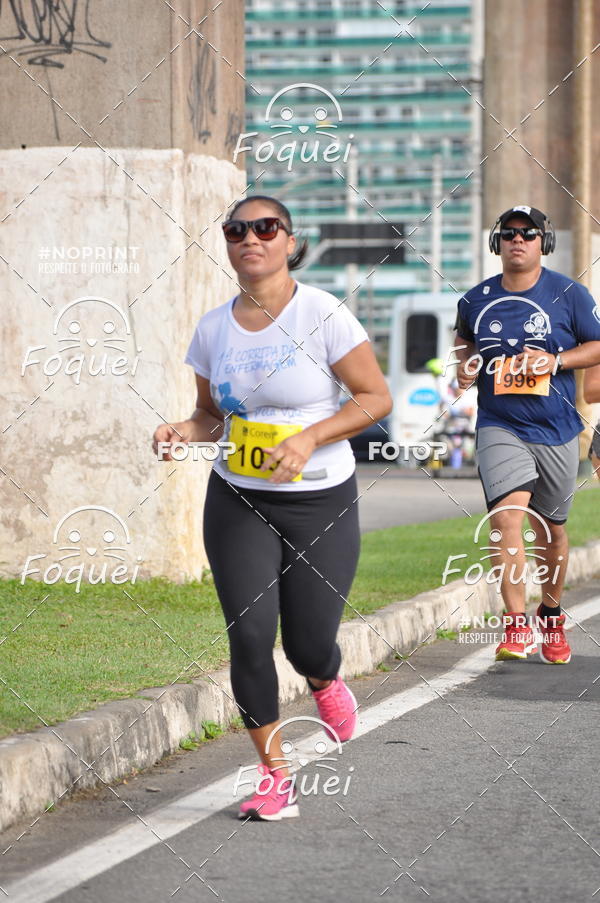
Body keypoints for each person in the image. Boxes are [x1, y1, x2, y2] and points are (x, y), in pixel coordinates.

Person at [152, 195, 392, 820]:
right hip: (238, 497)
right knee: (251, 637)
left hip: (320, 500)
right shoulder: (212, 329)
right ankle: (274, 776)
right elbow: (212, 416)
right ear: (228, 244)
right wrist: (182, 430)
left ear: (290, 241)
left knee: (309, 643)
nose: (250, 238)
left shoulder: (324, 314)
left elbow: (374, 397)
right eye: (237, 230)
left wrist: (310, 437)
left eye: (265, 228)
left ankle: (323, 680)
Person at [453, 205, 600, 664]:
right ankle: (515, 625)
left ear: (543, 243)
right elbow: (465, 342)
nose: (519, 240)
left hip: (556, 428)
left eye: (529, 234)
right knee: (506, 521)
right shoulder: (474, 299)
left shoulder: (570, 294)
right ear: (497, 242)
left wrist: (555, 362)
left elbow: (596, 344)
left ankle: (551, 614)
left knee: (551, 532)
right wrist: (464, 366)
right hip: (500, 424)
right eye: (510, 233)